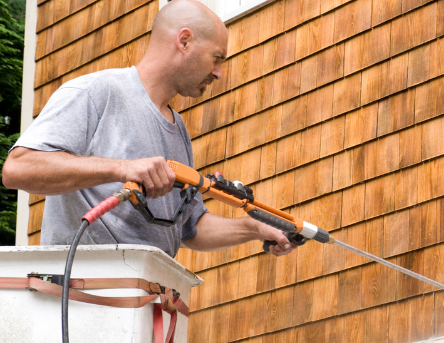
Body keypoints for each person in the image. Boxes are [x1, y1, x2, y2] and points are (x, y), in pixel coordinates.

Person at [2, 0, 296, 258]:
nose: (218, 73)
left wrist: (254, 227)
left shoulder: (178, 130)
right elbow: (18, 169)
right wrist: (122, 169)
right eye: (216, 58)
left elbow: (191, 228)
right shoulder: (96, 92)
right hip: (82, 296)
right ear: (184, 41)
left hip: (148, 300)